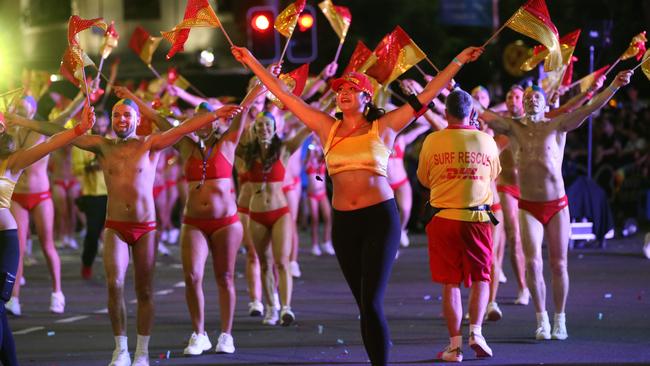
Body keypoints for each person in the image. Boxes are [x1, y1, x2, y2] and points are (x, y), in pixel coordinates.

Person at [232, 44, 483, 365]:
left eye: (352, 89)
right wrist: (251, 59)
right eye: (340, 90)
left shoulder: (386, 125)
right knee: (364, 306)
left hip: (380, 218)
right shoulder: (326, 126)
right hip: (345, 224)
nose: (343, 93)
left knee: (372, 301)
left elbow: (429, 93)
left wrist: (459, 59)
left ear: (367, 98)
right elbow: (288, 96)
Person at [9, 97, 242, 366]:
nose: (121, 120)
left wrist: (216, 115)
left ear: (136, 119)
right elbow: (58, 133)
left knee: (144, 291)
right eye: (117, 115)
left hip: (146, 229)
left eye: (126, 115)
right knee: (115, 284)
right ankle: (121, 349)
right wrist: (22, 121)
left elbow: (183, 128)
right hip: (115, 227)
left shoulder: (150, 143)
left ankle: (141, 351)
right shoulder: (102, 146)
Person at [478, 70, 633, 341]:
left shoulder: (558, 124)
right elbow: (479, 111)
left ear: (546, 102)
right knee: (533, 263)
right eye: (526, 97)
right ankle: (541, 319)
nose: (530, 100)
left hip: (557, 205)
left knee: (559, 265)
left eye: (535, 96)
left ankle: (560, 317)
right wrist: (449, 85)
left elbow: (590, 107)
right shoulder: (513, 128)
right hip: (528, 206)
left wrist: (614, 86)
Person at [115, 82, 264, 355]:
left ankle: (226, 335)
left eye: (207, 119)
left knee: (225, 277)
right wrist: (131, 97)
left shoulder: (229, 142)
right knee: (193, 275)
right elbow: (157, 119)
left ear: (216, 122)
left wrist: (258, 86)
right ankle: (199, 333)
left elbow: (243, 111)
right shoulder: (184, 145)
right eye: (197, 119)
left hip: (226, 223)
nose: (202, 124)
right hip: (193, 221)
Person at [0, 105, 93, 365]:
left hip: (4, 239)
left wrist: (78, 129)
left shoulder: (13, 159)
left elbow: (50, 144)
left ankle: (56, 292)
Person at [417, 89, 500, 362]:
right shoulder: (486, 141)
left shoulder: (432, 140)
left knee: (450, 282)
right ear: (472, 113)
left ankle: (454, 347)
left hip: (443, 218)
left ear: (445, 112)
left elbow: (425, 179)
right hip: (477, 219)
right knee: (482, 278)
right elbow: (492, 176)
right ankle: (476, 332)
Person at [6, 94, 83, 316]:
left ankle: (57, 293)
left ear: (32, 110)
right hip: (17, 196)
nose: (19, 111)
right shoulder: (9, 132)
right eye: (16, 107)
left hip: (41, 195)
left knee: (48, 246)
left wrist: (80, 96)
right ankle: (14, 299)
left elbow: (66, 115)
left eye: (23, 108)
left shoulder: (40, 129)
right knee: (17, 248)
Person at [245, 111, 310, 326]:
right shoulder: (246, 153)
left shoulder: (284, 149)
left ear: (275, 128)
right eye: (260, 125)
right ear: (254, 129)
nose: (263, 128)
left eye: (267, 125)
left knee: (282, 262)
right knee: (264, 263)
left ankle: (286, 308)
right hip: (256, 214)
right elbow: (228, 136)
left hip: (280, 212)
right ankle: (271, 307)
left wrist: (330, 104)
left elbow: (308, 126)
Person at [72, 110, 110, 279]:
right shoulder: (84, 142)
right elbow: (76, 169)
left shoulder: (112, 140)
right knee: (93, 233)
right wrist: (91, 166)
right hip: (93, 195)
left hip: (112, 194)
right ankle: (87, 264)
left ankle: (116, 267)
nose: (101, 128)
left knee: (114, 233)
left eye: (104, 125)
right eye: (98, 125)